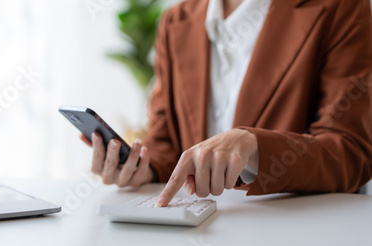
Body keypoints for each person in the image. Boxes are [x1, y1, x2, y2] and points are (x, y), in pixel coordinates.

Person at [81, 0, 372, 207]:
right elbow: (165, 144)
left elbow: (351, 151)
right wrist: (143, 169)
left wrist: (254, 146)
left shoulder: (340, 7)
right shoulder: (175, 21)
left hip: (289, 238)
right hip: (191, 231)